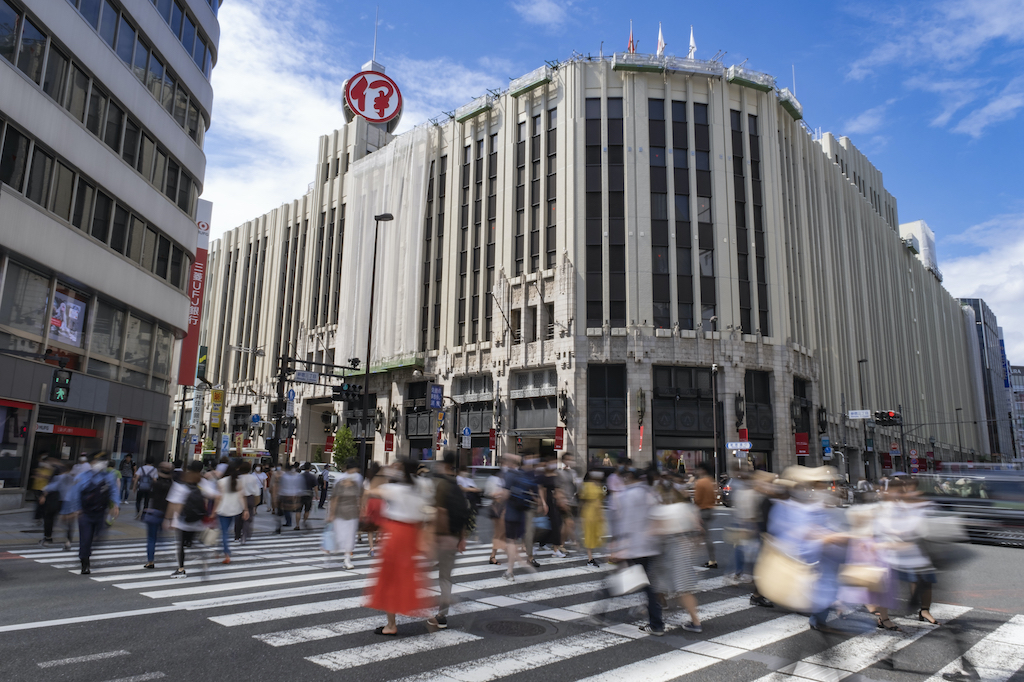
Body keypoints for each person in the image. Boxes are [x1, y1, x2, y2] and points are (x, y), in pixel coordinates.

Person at [365, 460, 430, 635]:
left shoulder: (396, 489)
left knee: (389, 579)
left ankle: (391, 625)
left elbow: (371, 490)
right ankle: (403, 614)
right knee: (406, 576)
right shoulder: (421, 486)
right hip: (412, 533)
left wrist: (382, 472)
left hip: (396, 533)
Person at [875, 476, 940, 625]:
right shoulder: (887, 506)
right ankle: (883, 618)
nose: (903, 492)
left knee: (924, 578)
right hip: (893, 550)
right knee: (888, 582)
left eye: (903, 489)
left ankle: (923, 609)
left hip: (913, 548)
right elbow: (882, 527)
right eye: (899, 489)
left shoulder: (909, 504)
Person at [608, 467, 665, 635]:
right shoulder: (652, 493)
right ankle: (655, 621)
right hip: (652, 546)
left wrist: (618, 547)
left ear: (627, 478)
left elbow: (625, 523)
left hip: (636, 547)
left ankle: (656, 624)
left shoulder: (627, 495)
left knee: (643, 585)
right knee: (648, 584)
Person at [650, 470, 702, 632]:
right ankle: (693, 620)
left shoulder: (665, 510)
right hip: (683, 548)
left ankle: (695, 622)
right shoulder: (688, 508)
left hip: (669, 551)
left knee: (668, 585)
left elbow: (656, 530)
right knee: (676, 586)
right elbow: (698, 528)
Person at [430, 451, 470, 629]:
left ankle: (443, 614)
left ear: (444, 465)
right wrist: (462, 538)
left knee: (443, 578)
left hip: (444, 537)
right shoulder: (457, 486)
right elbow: (464, 513)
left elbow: (441, 512)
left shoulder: (442, 486)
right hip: (454, 537)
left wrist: (437, 536)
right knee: (445, 576)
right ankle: (443, 611)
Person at [67, 451, 120, 575]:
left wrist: (116, 504)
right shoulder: (82, 477)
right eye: (100, 461)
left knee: (99, 536)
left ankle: (86, 552)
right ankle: (85, 562)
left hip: (101, 513)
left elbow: (113, 491)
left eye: (104, 461)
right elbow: (74, 494)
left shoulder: (108, 477)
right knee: (85, 539)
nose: (103, 463)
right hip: (85, 514)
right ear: (92, 462)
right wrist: (75, 509)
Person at [165, 460, 218, 578]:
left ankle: (181, 569)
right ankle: (204, 560)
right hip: (197, 519)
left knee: (181, 545)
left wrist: (170, 519)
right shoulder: (203, 481)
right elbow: (216, 496)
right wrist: (213, 513)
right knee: (193, 542)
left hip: (183, 520)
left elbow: (174, 503)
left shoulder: (182, 481)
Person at [502, 455, 543, 581]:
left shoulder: (510, 475)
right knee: (513, 541)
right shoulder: (524, 475)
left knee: (510, 542)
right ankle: (512, 568)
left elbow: (505, 494)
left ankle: (513, 570)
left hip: (511, 512)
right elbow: (533, 493)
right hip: (521, 513)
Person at [328, 460, 363, 569]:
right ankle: (335, 547)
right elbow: (334, 499)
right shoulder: (339, 483)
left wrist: (361, 509)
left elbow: (360, 497)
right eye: (353, 472)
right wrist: (331, 514)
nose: (355, 475)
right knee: (341, 537)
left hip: (352, 513)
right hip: (340, 512)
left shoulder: (356, 484)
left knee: (350, 537)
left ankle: (347, 559)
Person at [214, 460, 248, 563]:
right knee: (226, 531)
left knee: (224, 531)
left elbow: (218, 498)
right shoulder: (239, 481)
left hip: (222, 509)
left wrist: (213, 509)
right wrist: (245, 509)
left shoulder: (221, 482)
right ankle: (221, 549)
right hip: (235, 509)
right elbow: (241, 496)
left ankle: (226, 553)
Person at [142, 462, 174, 569]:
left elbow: (148, 496)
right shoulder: (172, 485)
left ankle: (150, 561)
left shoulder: (155, 483)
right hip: (165, 514)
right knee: (161, 535)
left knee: (151, 538)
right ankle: (163, 547)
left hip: (154, 512)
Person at [693, 462, 719, 568]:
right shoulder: (711, 481)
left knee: (704, 536)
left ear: (703, 470)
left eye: (698, 469)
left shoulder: (700, 482)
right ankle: (711, 559)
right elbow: (716, 496)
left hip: (702, 510)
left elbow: (697, 500)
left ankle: (712, 560)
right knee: (704, 536)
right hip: (710, 509)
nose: (697, 471)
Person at [579, 470, 606, 566]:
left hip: (597, 513)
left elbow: (601, 498)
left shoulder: (598, 485)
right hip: (589, 513)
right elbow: (583, 499)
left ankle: (593, 556)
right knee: (589, 535)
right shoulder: (587, 486)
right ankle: (590, 558)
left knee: (597, 534)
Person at [37, 462, 65, 546]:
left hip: (53, 500)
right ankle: (50, 537)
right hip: (59, 500)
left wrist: (43, 495)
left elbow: (50, 488)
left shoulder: (56, 478)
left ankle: (48, 537)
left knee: (49, 519)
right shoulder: (62, 478)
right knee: (52, 519)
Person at [361, 462, 386, 557]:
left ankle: (372, 549)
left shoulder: (368, 480)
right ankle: (378, 538)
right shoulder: (382, 479)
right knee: (380, 523)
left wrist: (363, 506)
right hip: (381, 502)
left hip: (371, 502)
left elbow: (365, 493)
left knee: (370, 528)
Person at [557, 453, 580, 550]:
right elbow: (557, 488)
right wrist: (562, 499)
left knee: (568, 525)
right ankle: (561, 544)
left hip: (573, 501)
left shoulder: (573, 472)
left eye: (571, 459)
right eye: (568, 459)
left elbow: (577, 486)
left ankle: (564, 542)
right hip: (564, 501)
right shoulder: (559, 472)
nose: (570, 461)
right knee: (569, 523)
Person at [485, 464, 506, 565]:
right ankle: (492, 556)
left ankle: (498, 553)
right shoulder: (494, 480)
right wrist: (501, 493)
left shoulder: (497, 480)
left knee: (502, 533)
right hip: (497, 507)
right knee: (499, 533)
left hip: (500, 506)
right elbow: (491, 494)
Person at [235, 461, 260, 544]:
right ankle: (244, 536)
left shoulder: (238, 478)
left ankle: (237, 536)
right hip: (250, 498)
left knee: (238, 518)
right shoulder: (252, 478)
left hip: (239, 499)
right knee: (248, 519)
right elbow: (257, 490)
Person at [298, 463, 318, 529]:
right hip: (309, 494)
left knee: (298, 510)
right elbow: (315, 487)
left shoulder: (300, 476)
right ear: (310, 468)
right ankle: (304, 521)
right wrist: (317, 495)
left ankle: (297, 525)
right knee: (307, 510)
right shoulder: (312, 476)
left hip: (300, 494)